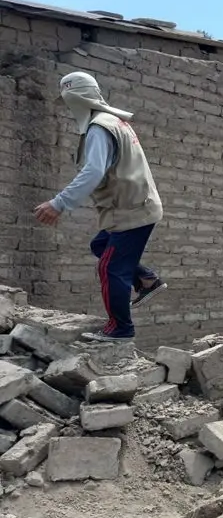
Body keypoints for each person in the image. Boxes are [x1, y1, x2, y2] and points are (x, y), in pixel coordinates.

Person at [33, 72, 166, 343]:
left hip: (131, 211)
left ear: (76, 99)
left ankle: (120, 329)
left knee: (110, 268)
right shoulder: (113, 122)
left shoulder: (99, 127)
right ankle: (148, 280)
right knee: (100, 246)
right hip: (135, 207)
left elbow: (93, 172)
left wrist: (58, 203)